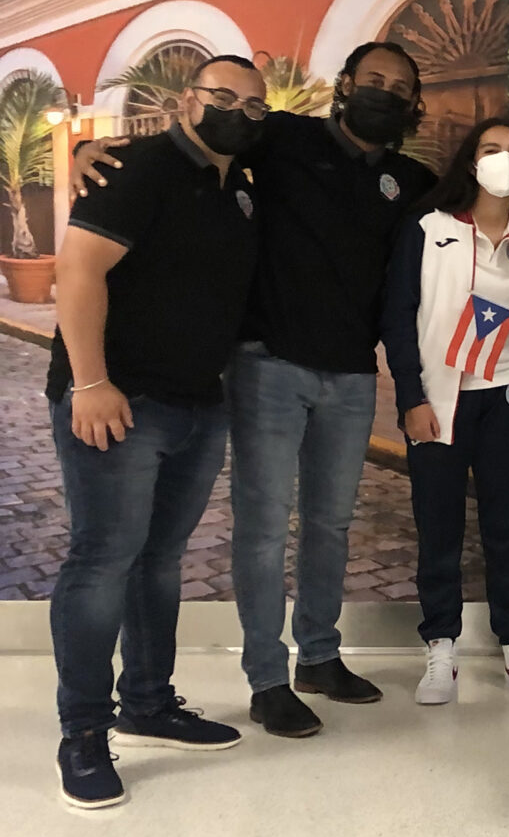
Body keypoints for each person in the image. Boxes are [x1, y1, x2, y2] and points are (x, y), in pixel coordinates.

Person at [72, 41, 438, 738]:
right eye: (373, 80)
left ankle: (320, 658)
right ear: (345, 85)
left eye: (399, 87)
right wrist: (90, 150)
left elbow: (479, 217)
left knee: (331, 525)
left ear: (412, 103)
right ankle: (267, 678)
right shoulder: (282, 138)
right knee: (265, 527)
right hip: (268, 366)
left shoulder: (413, 181)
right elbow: (192, 142)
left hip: (352, 375)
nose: (385, 93)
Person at [46, 55, 266, 808]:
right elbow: (78, 271)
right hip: (119, 399)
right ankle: (82, 734)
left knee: (159, 560)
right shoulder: (138, 166)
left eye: (253, 105)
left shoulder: (240, 185)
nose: (238, 112)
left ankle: (147, 703)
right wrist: (90, 383)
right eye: (223, 97)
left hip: (197, 402)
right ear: (185, 101)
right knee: (103, 559)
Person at [383, 117, 509, 706]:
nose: (504, 159)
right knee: (439, 526)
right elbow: (399, 314)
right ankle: (440, 648)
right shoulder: (429, 228)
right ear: (471, 160)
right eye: (492, 149)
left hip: (508, 393)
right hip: (440, 399)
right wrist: (411, 398)